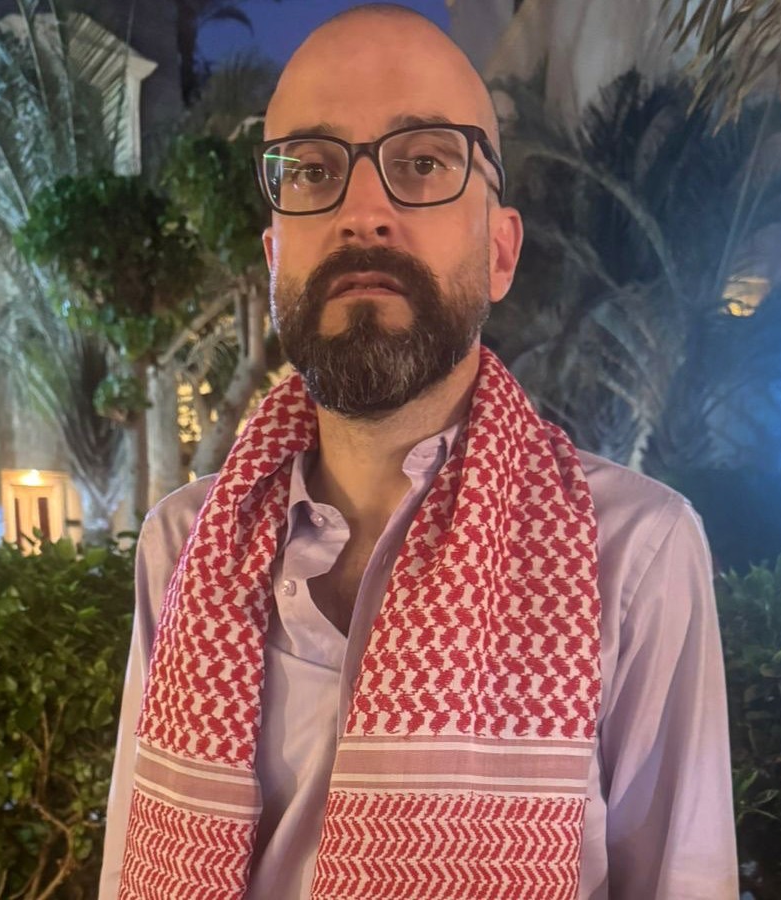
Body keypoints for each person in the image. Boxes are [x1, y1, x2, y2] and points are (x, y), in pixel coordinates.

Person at [99, 5, 738, 898]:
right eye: (314, 170)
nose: (364, 212)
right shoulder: (183, 545)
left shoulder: (634, 554)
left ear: (501, 250)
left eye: (425, 162)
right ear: (276, 255)